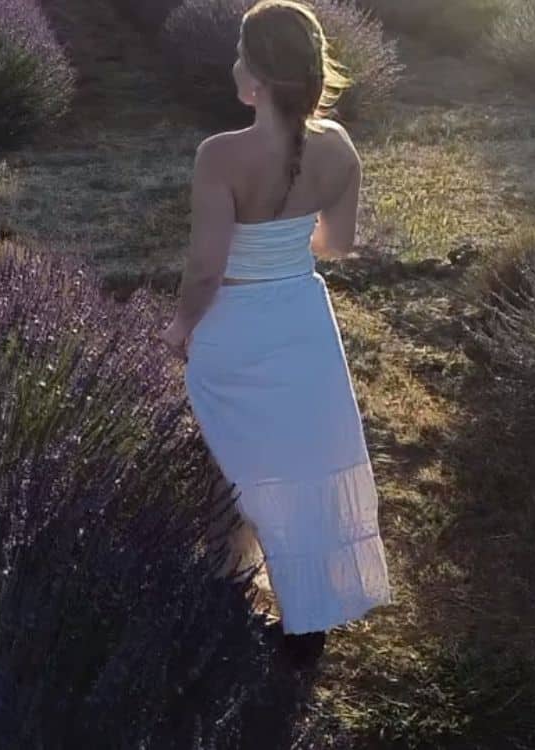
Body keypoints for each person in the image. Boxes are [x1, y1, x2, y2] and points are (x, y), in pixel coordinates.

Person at [157, 0, 391, 670]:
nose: (234, 63)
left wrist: (179, 326)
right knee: (306, 462)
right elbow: (337, 244)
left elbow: (206, 269)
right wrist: (285, 243)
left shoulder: (220, 155)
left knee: (232, 458)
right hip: (301, 320)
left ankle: (231, 586)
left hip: (235, 325)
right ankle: (308, 616)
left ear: (256, 76)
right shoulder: (338, 146)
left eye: (240, 53)